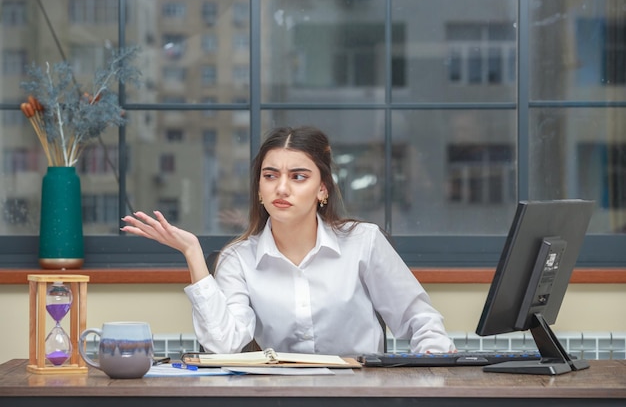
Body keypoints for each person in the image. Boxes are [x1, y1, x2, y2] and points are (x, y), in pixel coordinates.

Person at [121, 125, 456, 356]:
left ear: (322, 189)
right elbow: (223, 344)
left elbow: (421, 320)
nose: (281, 188)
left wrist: (431, 370)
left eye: (298, 176)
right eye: (270, 176)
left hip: (362, 397)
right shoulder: (239, 258)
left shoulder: (363, 242)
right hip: (280, 399)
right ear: (260, 189)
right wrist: (192, 252)